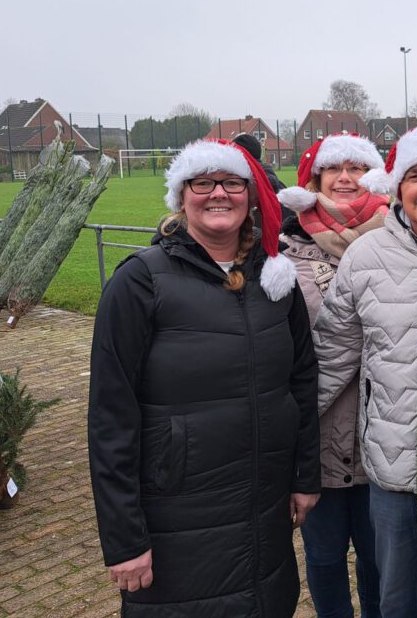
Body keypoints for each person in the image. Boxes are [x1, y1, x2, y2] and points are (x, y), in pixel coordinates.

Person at [88, 138, 320, 617]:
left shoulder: (275, 282)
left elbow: (301, 379)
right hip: (179, 521)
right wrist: (123, 538)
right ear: (181, 196)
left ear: (251, 195)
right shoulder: (140, 281)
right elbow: (111, 416)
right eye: (203, 182)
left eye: (232, 182)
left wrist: (304, 474)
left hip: (262, 514)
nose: (219, 193)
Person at [313, 126, 417, 618]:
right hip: (395, 470)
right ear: (396, 187)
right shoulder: (366, 257)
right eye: (414, 176)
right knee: (397, 598)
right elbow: (331, 357)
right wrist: (280, 439)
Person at [277, 132, 389, 618]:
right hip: (316, 444)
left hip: (382, 443)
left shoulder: (399, 241)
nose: (345, 178)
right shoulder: (284, 254)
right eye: (334, 169)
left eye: (357, 168)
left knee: (379, 562)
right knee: (323, 560)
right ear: (316, 177)